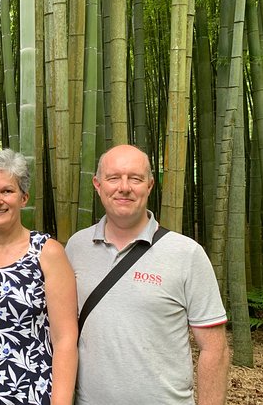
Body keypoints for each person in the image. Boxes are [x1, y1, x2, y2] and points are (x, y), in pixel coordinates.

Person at [65, 144, 230, 404]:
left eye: (135, 178)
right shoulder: (75, 247)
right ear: (97, 185)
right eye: (113, 178)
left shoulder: (186, 253)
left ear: (150, 185)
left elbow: (214, 350)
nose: (124, 187)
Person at [0, 148, 78, 405]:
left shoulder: (47, 253)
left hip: (35, 393)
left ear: (24, 198)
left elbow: (65, 340)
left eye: (7, 191)